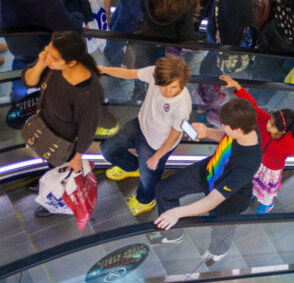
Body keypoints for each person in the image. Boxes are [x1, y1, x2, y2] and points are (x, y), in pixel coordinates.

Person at [149, 98, 260, 267]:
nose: (222, 127)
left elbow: (212, 200)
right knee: (164, 189)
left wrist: (177, 213)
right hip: (208, 170)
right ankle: (173, 234)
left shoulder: (247, 165)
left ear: (238, 129)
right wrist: (207, 132)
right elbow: (227, 137)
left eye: (225, 125)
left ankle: (218, 252)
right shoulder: (247, 127)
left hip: (228, 202)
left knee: (221, 228)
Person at [23, 32, 103, 218]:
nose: (47, 58)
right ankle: (47, 181)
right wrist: (42, 63)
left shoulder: (88, 92)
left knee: (60, 170)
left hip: (65, 144)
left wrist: (78, 156)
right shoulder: (54, 68)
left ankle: (53, 199)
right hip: (48, 130)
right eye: (48, 51)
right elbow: (30, 80)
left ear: (72, 62)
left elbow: (87, 128)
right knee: (52, 164)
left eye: (53, 57)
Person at [99, 56, 192, 215]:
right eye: (162, 86)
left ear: (182, 83)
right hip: (139, 125)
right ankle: (132, 167)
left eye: (173, 87)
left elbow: (175, 134)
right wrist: (102, 69)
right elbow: (128, 74)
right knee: (107, 149)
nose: (167, 91)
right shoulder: (156, 73)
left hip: (156, 145)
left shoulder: (182, 105)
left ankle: (145, 201)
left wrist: (157, 156)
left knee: (149, 180)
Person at [221, 76, 294, 213]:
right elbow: (252, 105)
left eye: (271, 125)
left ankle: (267, 204)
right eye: (270, 119)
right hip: (258, 160)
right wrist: (237, 86)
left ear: (282, 131)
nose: (267, 124)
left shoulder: (289, 142)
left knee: (266, 191)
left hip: (271, 170)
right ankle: (252, 193)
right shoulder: (264, 119)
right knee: (252, 181)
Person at [0, 0, 82, 96]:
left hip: (14, 42)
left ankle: (15, 98)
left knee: (19, 73)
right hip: (37, 51)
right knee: (35, 77)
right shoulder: (47, 3)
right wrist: (78, 16)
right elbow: (72, 31)